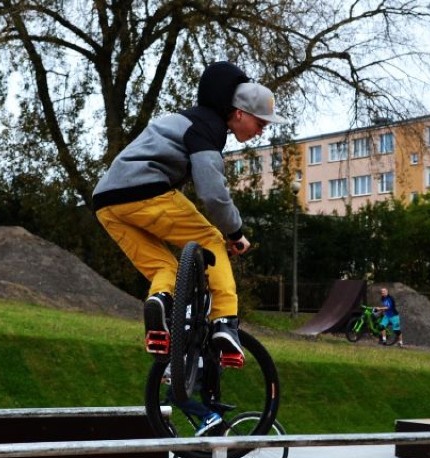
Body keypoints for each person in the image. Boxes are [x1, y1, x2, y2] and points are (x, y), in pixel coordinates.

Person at [92, 61, 287, 436]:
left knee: (162, 267)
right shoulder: (207, 129)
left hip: (107, 203)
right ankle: (225, 325)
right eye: (260, 123)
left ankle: (160, 304)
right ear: (239, 113)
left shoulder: (186, 122)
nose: (262, 131)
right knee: (211, 239)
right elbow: (213, 195)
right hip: (145, 191)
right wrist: (235, 232)